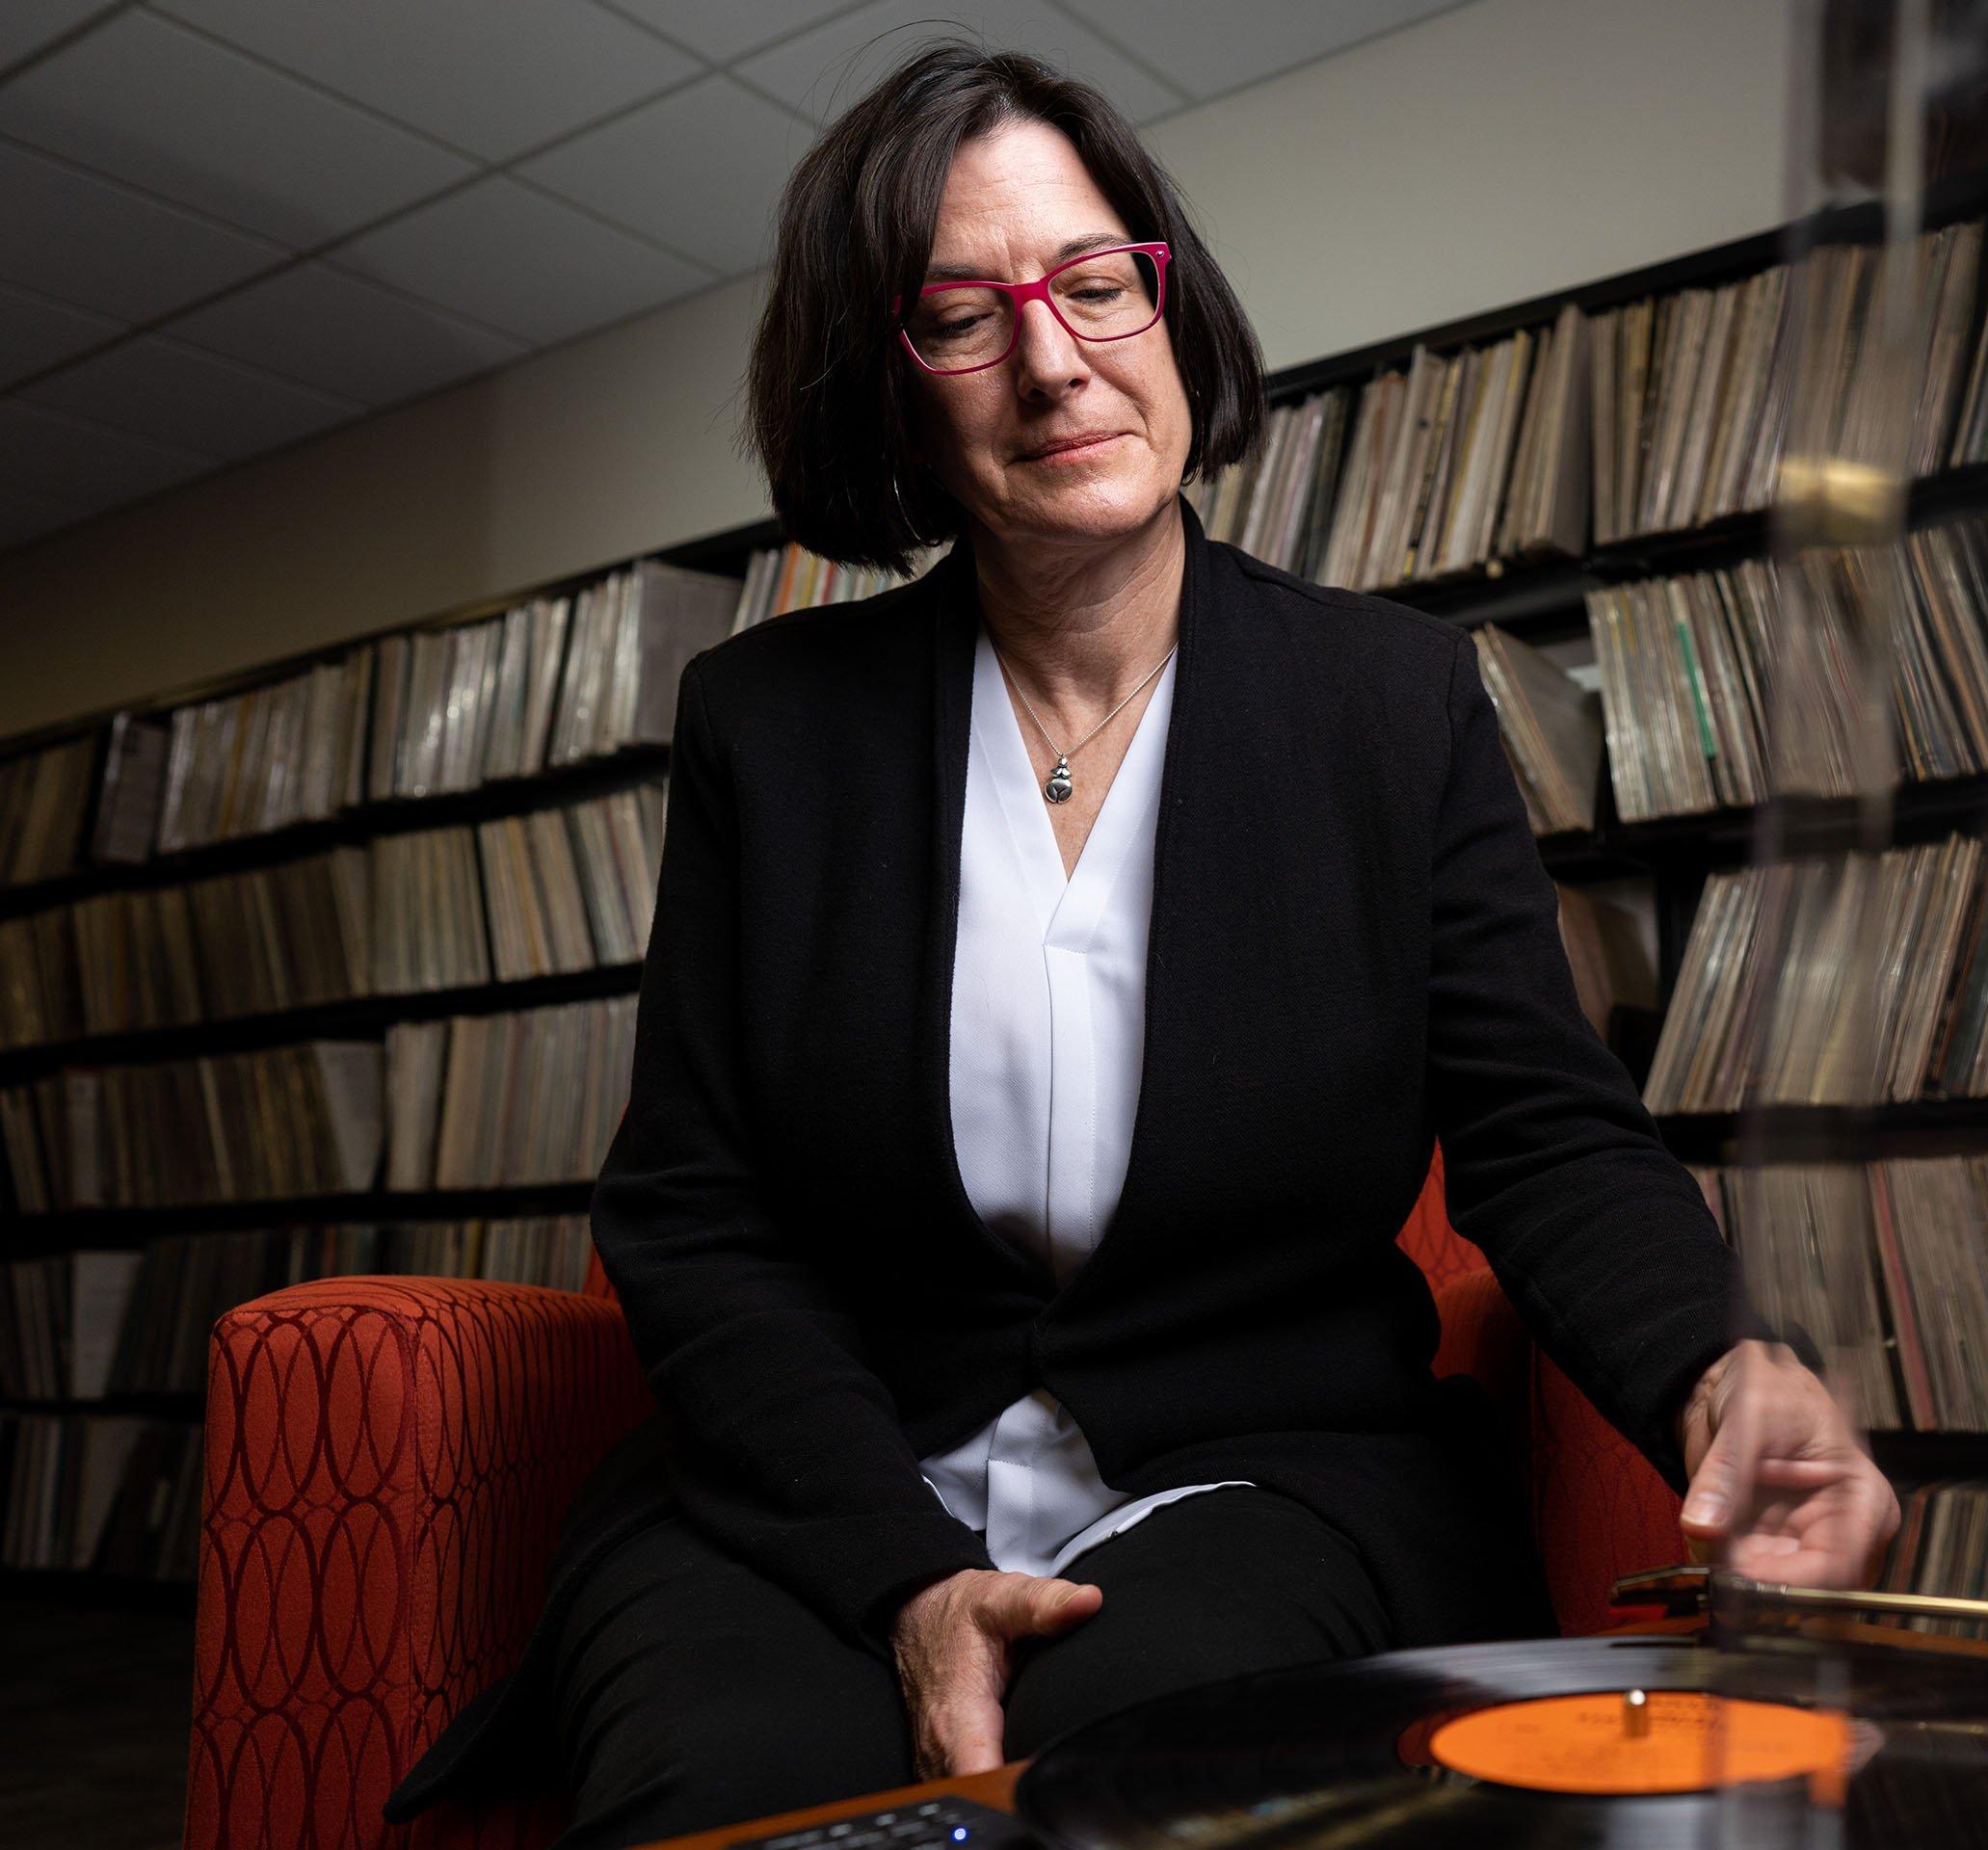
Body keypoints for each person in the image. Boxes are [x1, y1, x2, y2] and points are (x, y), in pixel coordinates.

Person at [378, 40, 1897, 1850]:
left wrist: (1722, 1366)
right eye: (964, 316)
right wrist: (903, 1574)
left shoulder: (1386, 703)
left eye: (1096, 282)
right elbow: (695, 1216)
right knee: (725, 1799)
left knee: (1150, 1782)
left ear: (1168, 305)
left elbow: (1543, 1131)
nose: (1052, 355)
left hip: (1257, 1472)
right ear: (894, 387)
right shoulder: (767, 726)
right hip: (822, 1498)